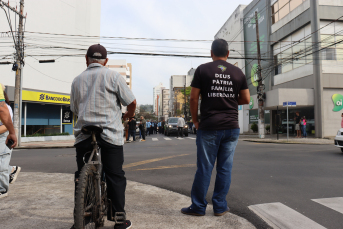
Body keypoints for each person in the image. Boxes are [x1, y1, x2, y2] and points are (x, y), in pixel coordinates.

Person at [181, 39, 250, 216]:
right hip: (232, 127)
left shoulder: (202, 70)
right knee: (225, 168)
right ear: (228, 54)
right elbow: (246, 99)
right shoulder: (238, 72)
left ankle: (198, 207)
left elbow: (193, 98)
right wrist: (229, 99)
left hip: (209, 126)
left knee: (205, 168)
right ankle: (219, 207)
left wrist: (195, 121)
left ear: (211, 53)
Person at [70, 44, 136, 229]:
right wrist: (127, 116)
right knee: (115, 175)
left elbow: (74, 109)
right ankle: (119, 219)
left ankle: (82, 218)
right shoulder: (113, 76)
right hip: (109, 134)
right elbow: (132, 102)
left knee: (80, 174)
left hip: (84, 135)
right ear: (105, 61)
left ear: (86, 59)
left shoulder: (77, 80)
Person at [0, 88, 19, 199]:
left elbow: (5, 125)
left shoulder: (7, 108)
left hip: (3, 134)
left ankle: (2, 190)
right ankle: (12, 170)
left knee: (2, 161)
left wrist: (12, 132)